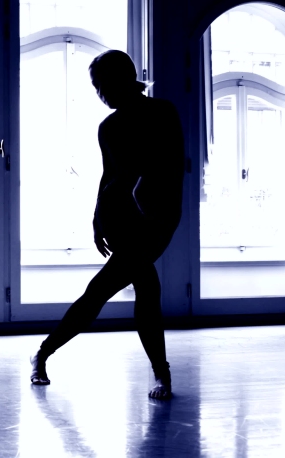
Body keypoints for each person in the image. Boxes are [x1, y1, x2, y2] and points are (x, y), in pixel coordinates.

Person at [29, 50, 185, 400]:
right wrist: (97, 218)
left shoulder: (163, 112)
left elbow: (172, 167)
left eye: (103, 84)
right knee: (144, 287)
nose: (100, 93)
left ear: (125, 79)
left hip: (157, 217)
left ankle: (42, 353)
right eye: (96, 87)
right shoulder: (109, 127)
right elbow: (109, 176)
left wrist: (159, 210)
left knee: (102, 291)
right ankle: (162, 376)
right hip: (121, 216)